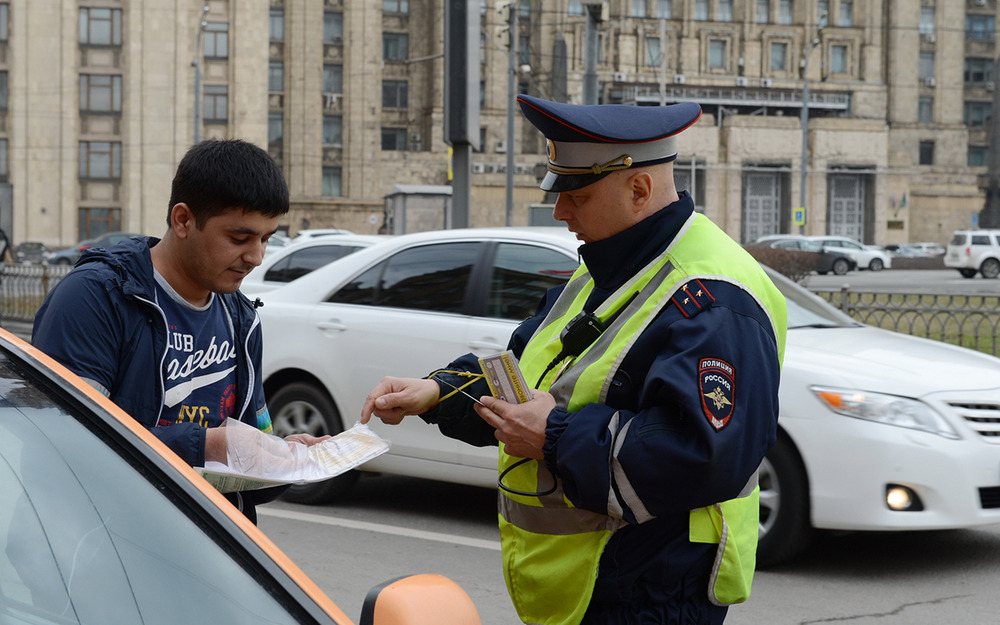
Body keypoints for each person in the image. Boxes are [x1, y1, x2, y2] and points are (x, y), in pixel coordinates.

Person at [361, 95, 787, 625]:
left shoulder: (714, 295)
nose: (560, 212)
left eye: (577, 196)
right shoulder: (609, 264)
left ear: (639, 189)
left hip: (651, 595)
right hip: (593, 589)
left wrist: (554, 436)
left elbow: (706, 454)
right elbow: (530, 375)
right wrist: (439, 392)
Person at [32, 138, 326, 523]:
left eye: (265, 238)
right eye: (239, 238)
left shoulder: (240, 316)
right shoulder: (95, 298)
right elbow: (68, 438)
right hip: (101, 548)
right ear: (183, 220)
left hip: (207, 547)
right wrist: (206, 446)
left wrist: (286, 459)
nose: (255, 257)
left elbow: (244, 457)